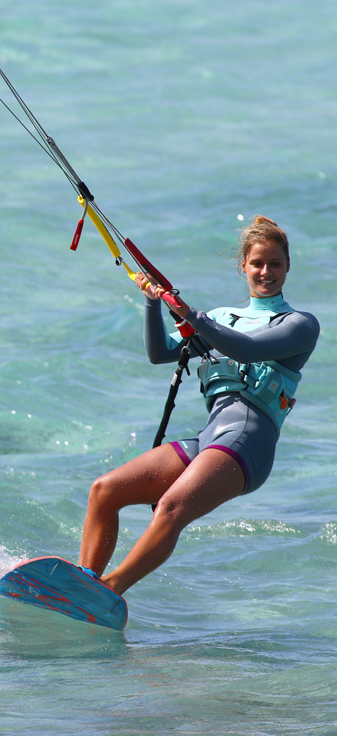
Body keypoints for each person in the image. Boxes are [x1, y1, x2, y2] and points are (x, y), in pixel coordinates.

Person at [78, 215, 319, 596]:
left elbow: (247, 348)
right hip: (211, 437)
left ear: (288, 266)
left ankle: (108, 590)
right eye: (257, 263)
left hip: (248, 442)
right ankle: (83, 585)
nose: (266, 271)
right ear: (243, 267)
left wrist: (192, 315)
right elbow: (160, 353)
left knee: (171, 507)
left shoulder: (299, 323)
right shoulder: (220, 318)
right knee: (104, 490)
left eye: (275, 263)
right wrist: (152, 302)